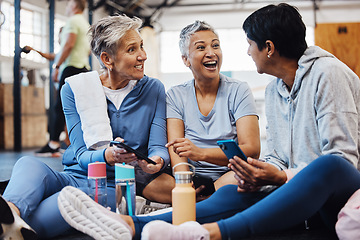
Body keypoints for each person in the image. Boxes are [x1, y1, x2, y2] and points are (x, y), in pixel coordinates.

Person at [56, 3, 360, 240]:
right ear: (186, 59)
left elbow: (344, 162)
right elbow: (279, 158)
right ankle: (131, 224)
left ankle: (208, 233)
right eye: (201, 47)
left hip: (338, 188)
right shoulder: (276, 89)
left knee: (328, 165)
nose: (246, 51)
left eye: (250, 43)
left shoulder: (328, 75)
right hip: (297, 195)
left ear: (268, 48)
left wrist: (279, 176)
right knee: (235, 190)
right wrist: (261, 173)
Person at [0, 14, 172, 239]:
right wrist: (107, 155)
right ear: (107, 59)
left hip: (113, 185)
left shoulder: (153, 89)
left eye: (141, 45)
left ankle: (14, 228)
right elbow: (80, 154)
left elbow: (159, 146)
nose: (143, 55)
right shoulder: (75, 89)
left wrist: (158, 161)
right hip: (74, 174)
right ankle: (10, 213)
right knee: (28, 164)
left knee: (68, 201)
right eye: (132, 49)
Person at [166, 21, 260, 193]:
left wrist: (200, 153)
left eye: (215, 46)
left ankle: (206, 198)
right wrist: (184, 184)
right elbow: (176, 151)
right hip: (193, 176)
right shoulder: (175, 95)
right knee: (154, 184)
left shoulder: (239, 90)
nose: (211, 53)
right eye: (201, 48)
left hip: (230, 174)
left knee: (241, 177)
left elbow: (252, 151)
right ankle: (197, 196)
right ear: (185, 59)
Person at [35, 0, 90, 157]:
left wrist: (57, 66)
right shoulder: (85, 24)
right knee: (79, 109)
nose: (66, 7)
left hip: (71, 67)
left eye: (68, 4)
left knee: (59, 107)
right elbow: (85, 51)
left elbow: (69, 45)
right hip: (83, 68)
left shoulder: (72, 21)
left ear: (73, 6)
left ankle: (53, 144)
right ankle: (80, 144)